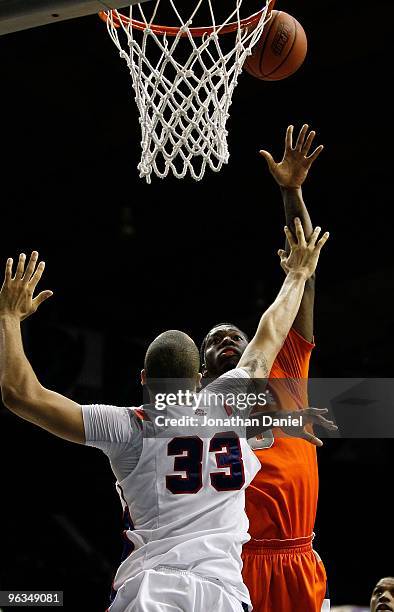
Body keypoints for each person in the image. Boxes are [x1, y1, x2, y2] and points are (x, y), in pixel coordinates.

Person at [0, 222, 329, 611]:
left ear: (143, 378)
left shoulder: (127, 427)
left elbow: (20, 394)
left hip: (151, 590)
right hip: (221, 592)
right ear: (198, 380)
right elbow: (269, 331)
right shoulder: (228, 401)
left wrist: (7, 316)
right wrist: (298, 274)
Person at [200, 124, 330, 611]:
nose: (227, 339)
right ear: (200, 372)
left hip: (297, 555)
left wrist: (292, 192)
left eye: (235, 334)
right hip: (232, 559)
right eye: (213, 341)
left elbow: (306, 276)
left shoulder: (286, 364)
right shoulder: (195, 406)